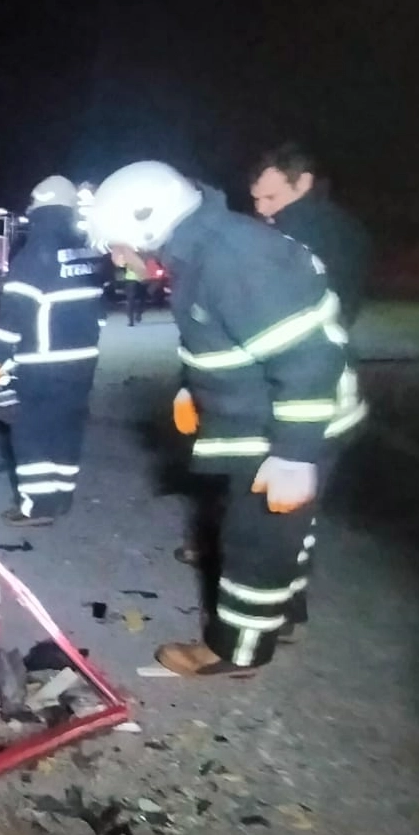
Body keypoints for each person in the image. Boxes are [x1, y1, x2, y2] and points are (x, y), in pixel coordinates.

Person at [87, 161, 366, 677]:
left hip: (291, 426)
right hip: (277, 419)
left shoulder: (231, 259)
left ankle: (237, 649)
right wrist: (194, 389)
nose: (117, 260)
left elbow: (307, 360)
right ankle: (280, 618)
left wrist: (294, 455)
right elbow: (224, 334)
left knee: (254, 540)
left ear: (149, 226)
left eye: (119, 247)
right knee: (281, 532)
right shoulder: (204, 251)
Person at [0, 176, 106, 525]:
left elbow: (12, 316)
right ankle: (61, 497)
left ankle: (37, 507)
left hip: (41, 364)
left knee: (30, 433)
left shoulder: (33, 256)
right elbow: (98, 312)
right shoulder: (86, 252)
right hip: (82, 363)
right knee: (67, 430)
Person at [250, 143, 372, 329]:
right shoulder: (348, 225)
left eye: (271, 197)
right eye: (256, 199)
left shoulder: (294, 230)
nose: (260, 208)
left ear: (303, 182)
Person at [121, 262, 148, 326]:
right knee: (141, 299)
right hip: (140, 280)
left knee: (130, 300)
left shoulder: (128, 260)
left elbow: (122, 267)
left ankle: (131, 320)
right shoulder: (141, 260)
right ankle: (138, 314)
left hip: (130, 281)